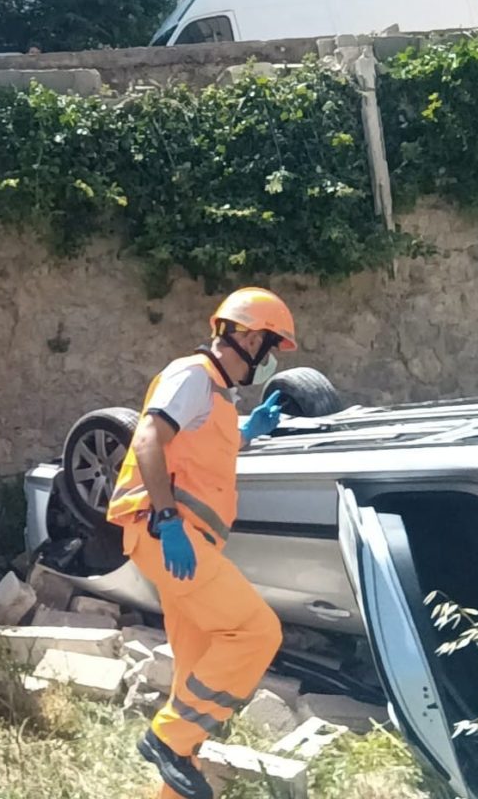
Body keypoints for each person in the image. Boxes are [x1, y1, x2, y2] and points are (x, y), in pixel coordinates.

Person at [107, 287, 294, 799]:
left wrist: (247, 431)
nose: (270, 361)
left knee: (193, 676)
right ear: (250, 337)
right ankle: (167, 740)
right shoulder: (191, 375)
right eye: (271, 346)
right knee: (256, 632)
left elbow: (197, 448)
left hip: (188, 542)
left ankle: (174, 775)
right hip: (166, 533)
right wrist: (167, 520)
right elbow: (148, 439)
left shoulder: (214, 393)